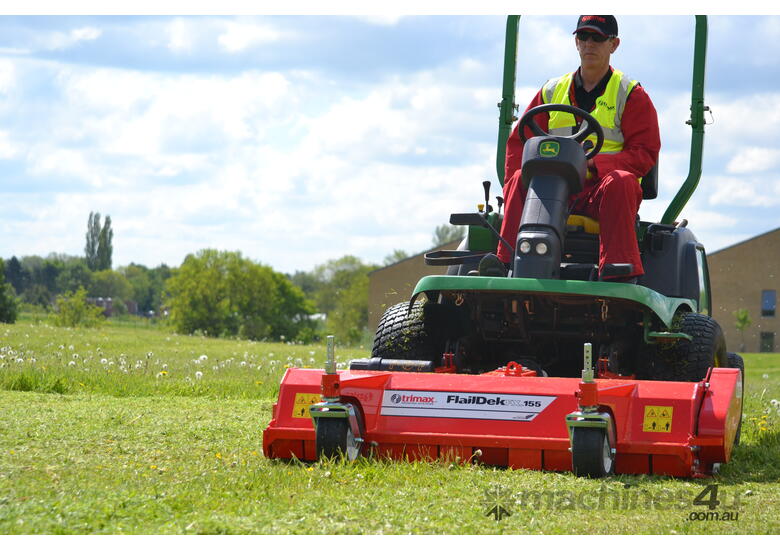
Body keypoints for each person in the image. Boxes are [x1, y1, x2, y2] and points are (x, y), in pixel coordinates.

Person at [491, 15, 660, 282]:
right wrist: (520, 182)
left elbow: (644, 152)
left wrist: (595, 164)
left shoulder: (630, 94)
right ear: (576, 42)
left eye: (598, 38)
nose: (589, 44)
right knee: (519, 178)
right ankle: (504, 263)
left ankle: (617, 270)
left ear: (613, 44)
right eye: (583, 37)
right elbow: (518, 145)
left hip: (599, 192)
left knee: (622, 181)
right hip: (550, 191)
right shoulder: (551, 91)